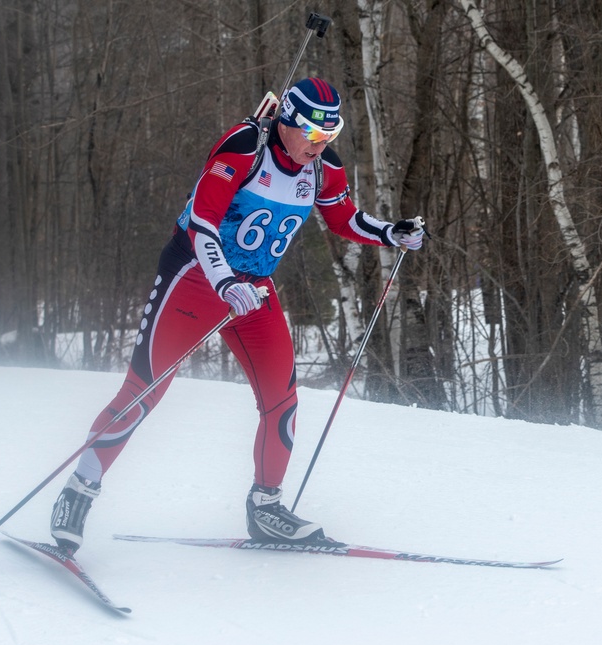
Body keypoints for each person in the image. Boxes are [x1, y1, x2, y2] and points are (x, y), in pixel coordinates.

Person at [49, 77, 425, 554]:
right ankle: (77, 492)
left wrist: (392, 233)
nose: (320, 145)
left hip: (254, 289)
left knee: (282, 401)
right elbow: (204, 221)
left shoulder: (323, 166)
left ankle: (266, 509)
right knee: (143, 390)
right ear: (287, 120)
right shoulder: (245, 147)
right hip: (195, 277)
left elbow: (343, 217)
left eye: (329, 135)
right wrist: (224, 281)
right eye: (312, 133)